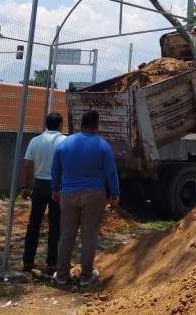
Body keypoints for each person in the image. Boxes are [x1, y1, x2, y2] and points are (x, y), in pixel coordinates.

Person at [52, 110, 120, 287]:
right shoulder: (102, 145)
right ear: (97, 125)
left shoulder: (65, 144)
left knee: (66, 235)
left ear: (81, 123)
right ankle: (86, 276)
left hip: (67, 194)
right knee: (88, 236)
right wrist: (115, 194)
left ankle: (61, 275)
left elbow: (56, 168)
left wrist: (55, 188)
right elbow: (111, 172)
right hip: (94, 195)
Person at [21, 113, 66, 274]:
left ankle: (28, 260)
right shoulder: (64, 141)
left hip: (39, 186)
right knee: (55, 225)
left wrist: (25, 186)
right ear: (61, 124)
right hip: (57, 188)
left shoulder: (35, 141)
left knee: (33, 224)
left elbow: (27, 165)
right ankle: (52, 261)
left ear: (46, 124)